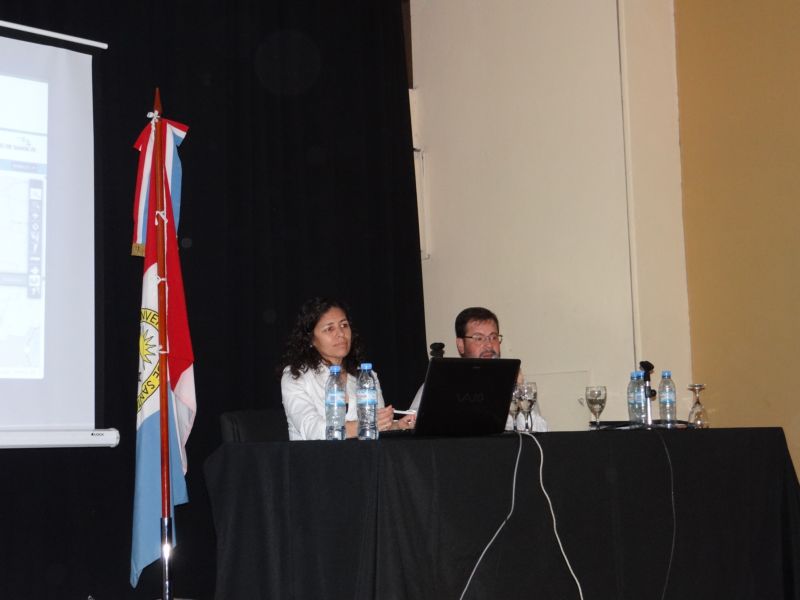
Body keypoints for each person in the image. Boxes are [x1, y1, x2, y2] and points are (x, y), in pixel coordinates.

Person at [279, 297, 413, 440]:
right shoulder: (295, 376)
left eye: (344, 325)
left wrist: (397, 426)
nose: (341, 334)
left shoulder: (366, 375)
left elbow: (376, 427)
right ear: (310, 339)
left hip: (365, 453)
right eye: (329, 329)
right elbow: (312, 429)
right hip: (316, 454)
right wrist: (363, 425)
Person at [408, 306, 547, 431]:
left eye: (493, 337)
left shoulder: (515, 382)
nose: (489, 345)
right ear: (460, 345)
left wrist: (518, 391)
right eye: (479, 338)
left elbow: (541, 432)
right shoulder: (439, 383)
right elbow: (410, 426)